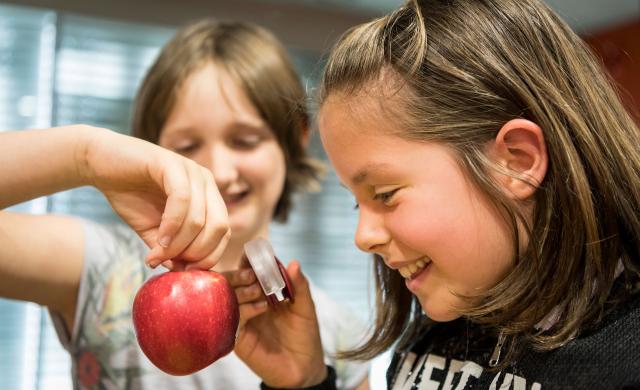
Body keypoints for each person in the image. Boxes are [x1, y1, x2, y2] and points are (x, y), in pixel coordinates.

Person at [232, 0, 640, 389]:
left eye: (385, 193)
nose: (363, 237)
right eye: (358, 201)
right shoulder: (442, 327)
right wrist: (304, 382)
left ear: (516, 160)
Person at [0, 20, 370, 389]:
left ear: (297, 137)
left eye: (244, 140)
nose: (220, 172)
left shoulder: (338, 335)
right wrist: (85, 157)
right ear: (149, 150)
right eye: (186, 147)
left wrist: (308, 383)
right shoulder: (100, 265)